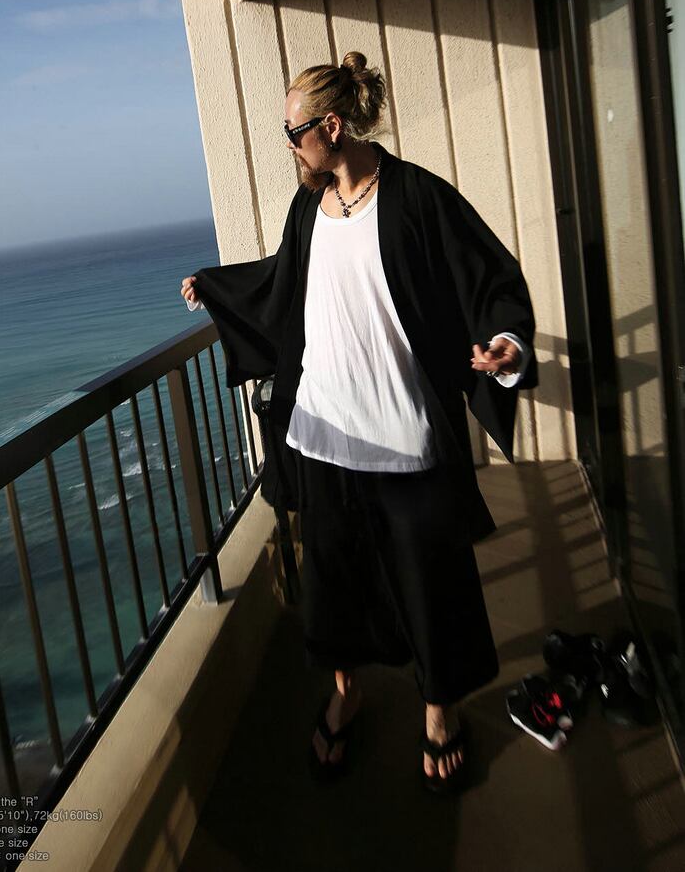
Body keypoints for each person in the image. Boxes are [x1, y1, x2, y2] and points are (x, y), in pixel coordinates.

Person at [180, 52, 537, 794]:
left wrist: (506, 343)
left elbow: (489, 278)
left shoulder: (418, 199)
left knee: (431, 586)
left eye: (294, 132)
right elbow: (281, 284)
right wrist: (215, 288)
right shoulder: (308, 209)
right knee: (335, 587)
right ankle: (347, 693)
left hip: (405, 437)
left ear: (333, 127)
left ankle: (438, 710)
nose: (289, 145)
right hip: (323, 436)